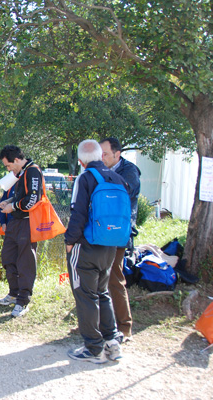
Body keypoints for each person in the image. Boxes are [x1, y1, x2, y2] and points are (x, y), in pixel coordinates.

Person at [65, 139, 129, 363]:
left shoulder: (85, 178)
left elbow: (78, 213)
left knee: (85, 295)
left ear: (81, 161)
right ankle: (112, 342)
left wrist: (69, 241)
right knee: (102, 293)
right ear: (102, 155)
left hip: (86, 246)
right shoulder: (118, 178)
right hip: (110, 246)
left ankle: (93, 348)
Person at [100, 137, 141, 342]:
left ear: (117, 154)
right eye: (100, 154)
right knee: (100, 279)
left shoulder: (130, 171)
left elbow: (124, 192)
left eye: (105, 153)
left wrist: (103, 177)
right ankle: (104, 325)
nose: (102, 157)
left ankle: (124, 328)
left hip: (118, 232)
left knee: (115, 278)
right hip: (101, 231)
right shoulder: (102, 170)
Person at [0, 145, 43, 318]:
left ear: (16, 160)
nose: (8, 170)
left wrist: (13, 206)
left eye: (8, 166)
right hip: (15, 222)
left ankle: (23, 301)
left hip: (27, 223)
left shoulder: (32, 171)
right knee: (8, 257)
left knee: (25, 262)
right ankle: (13, 293)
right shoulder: (21, 173)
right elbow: (22, 195)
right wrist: (9, 201)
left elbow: (33, 199)